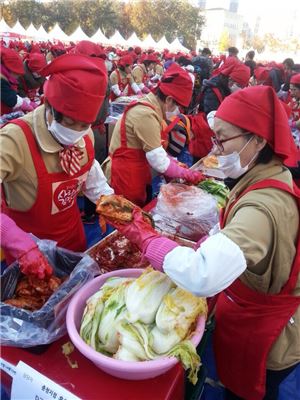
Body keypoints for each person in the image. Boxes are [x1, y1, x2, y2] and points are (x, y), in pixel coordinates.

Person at [110, 86, 300, 400]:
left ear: (259, 141)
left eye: (222, 140)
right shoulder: (263, 178)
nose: (215, 150)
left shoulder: (262, 207)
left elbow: (202, 275)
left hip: (269, 333)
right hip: (251, 310)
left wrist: (146, 238)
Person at [0, 54, 113, 253]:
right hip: (29, 251)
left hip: (73, 240)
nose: (76, 131)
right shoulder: (14, 140)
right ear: (49, 105)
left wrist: (120, 211)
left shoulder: (85, 136)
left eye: (85, 124)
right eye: (69, 123)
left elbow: (94, 181)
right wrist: (9, 233)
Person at [102, 63, 203, 207]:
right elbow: (159, 161)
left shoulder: (152, 108)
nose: (178, 111)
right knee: (128, 217)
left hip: (137, 169)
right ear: (168, 100)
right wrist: (186, 174)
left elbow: (156, 149)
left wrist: (175, 165)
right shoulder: (146, 114)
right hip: (125, 174)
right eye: (178, 106)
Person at [1, 46, 36, 116]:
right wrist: (25, 104)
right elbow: (12, 100)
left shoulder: (6, 78)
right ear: (8, 70)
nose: (18, 76)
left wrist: (26, 101)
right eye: (16, 73)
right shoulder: (1, 81)